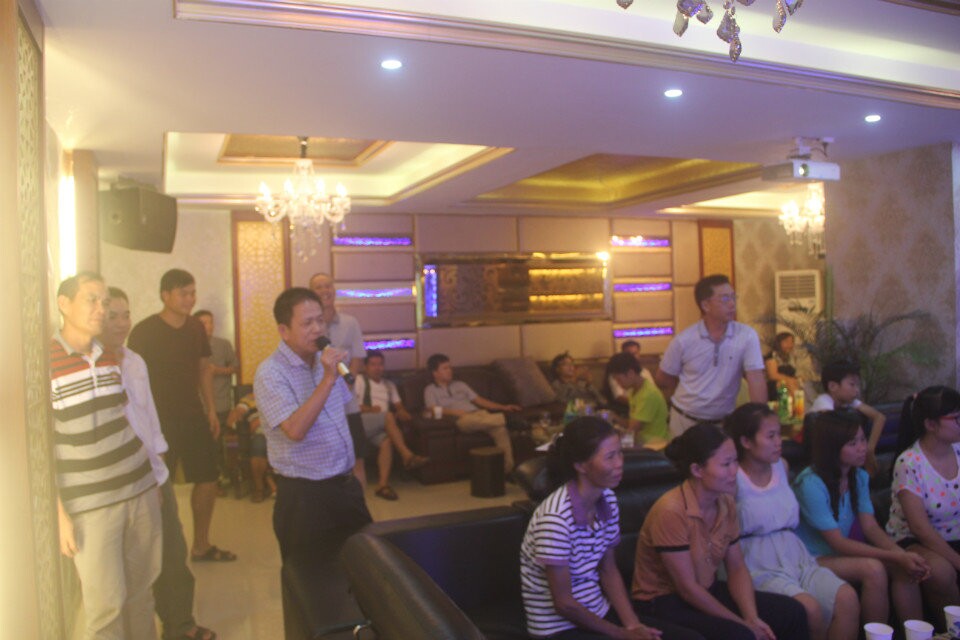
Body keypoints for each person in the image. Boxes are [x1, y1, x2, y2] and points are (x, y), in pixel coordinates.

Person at [50, 272, 161, 639]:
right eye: (91, 299)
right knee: (105, 608)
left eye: (105, 300)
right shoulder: (45, 363)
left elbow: (124, 420)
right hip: (92, 503)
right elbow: (42, 449)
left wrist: (152, 479)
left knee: (142, 595)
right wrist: (59, 514)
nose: (102, 308)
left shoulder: (110, 355)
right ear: (64, 304)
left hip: (139, 488)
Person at [103, 288, 217, 640]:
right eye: (112, 316)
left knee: (172, 550)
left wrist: (159, 463)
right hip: (114, 480)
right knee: (125, 567)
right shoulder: (89, 366)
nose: (122, 323)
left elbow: (148, 417)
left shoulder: (134, 361)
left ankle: (180, 625)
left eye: (126, 314)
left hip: (152, 471)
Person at [520, 417, 696, 640]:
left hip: (598, 612)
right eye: (610, 457)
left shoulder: (608, 499)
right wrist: (621, 634)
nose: (620, 463)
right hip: (557, 629)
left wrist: (633, 625)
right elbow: (564, 604)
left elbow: (608, 569)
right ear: (580, 465)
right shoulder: (554, 519)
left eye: (620, 453)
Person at [631, 423, 808, 640]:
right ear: (697, 470)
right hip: (663, 601)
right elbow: (687, 588)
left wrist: (751, 617)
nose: (735, 471)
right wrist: (742, 624)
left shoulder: (725, 502)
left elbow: (736, 567)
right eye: (726, 464)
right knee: (740, 634)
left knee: (793, 612)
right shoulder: (671, 511)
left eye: (735, 461)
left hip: (707, 589)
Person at [253, 287, 371, 561]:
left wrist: (331, 373)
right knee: (312, 577)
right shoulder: (270, 373)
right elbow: (295, 430)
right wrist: (328, 379)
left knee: (363, 567)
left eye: (320, 320)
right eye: (307, 323)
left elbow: (339, 412)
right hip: (305, 497)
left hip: (346, 485)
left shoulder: (324, 360)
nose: (317, 329)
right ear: (284, 331)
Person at [724, 403, 858, 640]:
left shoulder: (781, 467)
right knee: (809, 609)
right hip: (756, 562)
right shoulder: (733, 479)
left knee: (847, 598)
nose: (779, 442)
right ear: (746, 441)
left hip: (795, 554)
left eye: (779, 435)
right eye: (770, 436)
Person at [128, 268, 236, 562]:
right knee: (158, 484)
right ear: (165, 295)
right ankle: (157, 553)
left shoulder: (196, 328)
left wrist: (210, 409)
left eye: (193, 293)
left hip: (193, 414)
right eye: (183, 293)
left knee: (208, 477)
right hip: (157, 419)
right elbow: (132, 378)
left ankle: (201, 545)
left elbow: (204, 370)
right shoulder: (144, 331)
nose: (190, 299)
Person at [793, 411, 930, 627]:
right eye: (852, 443)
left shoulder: (858, 476)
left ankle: (917, 633)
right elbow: (838, 542)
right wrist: (895, 556)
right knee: (873, 569)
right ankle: (877, 635)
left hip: (838, 555)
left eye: (863, 439)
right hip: (809, 558)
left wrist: (902, 556)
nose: (862, 448)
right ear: (832, 447)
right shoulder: (810, 484)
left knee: (905, 567)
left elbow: (870, 527)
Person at [654, 275, 767, 438]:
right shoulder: (684, 340)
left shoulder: (746, 336)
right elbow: (663, 378)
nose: (732, 304)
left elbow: (756, 378)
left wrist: (760, 421)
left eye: (733, 297)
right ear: (705, 305)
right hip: (685, 420)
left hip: (723, 423)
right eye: (725, 299)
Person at [885, 386, 960, 626]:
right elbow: (920, 528)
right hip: (915, 539)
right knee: (941, 572)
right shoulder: (909, 463)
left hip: (955, 534)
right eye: (956, 418)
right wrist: (957, 560)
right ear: (930, 424)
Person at [308, 272, 369, 487]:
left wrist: (345, 385)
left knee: (357, 460)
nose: (325, 290)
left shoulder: (350, 322)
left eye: (328, 286)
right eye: (318, 287)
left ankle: (359, 504)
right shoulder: (309, 327)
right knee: (324, 462)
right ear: (311, 293)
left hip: (347, 404)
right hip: (319, 406)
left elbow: (358, 357)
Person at [424, 353, 520, 473]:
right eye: (445, 368)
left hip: (480, 414)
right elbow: (432, 409)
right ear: (435, 373)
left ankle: (507, 470)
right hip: (462, 419)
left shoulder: (460, 384)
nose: (450, 371)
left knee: (500, 430)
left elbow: (480, 400)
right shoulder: (430, 390)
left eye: (450, 367)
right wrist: (455, 412)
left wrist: (504, 407)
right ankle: (507, 420)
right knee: (478, 421)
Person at [354, 350, 429, 500]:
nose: (378, 368)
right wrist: (370, 409)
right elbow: (350, 406)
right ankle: (407, 455)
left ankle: (382, 485)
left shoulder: (389, 385)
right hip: (361, 423)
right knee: (388, 415)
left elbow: (399, 406)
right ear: (366, 367)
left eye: (380, 364)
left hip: (380, 424)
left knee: (387, 441)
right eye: (373, 365)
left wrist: (402, 412)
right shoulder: (359, 380)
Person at [809, 361, 886, 474]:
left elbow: (879, 417)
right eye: (852, 384)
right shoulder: (823, 403)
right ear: (832, 386)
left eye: (857, 385)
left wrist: (870, 449)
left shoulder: (847, 401)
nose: (857, 390)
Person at [193, 309, 240, 494]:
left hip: (222, 404)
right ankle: (212, 480)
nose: (208, 326)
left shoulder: (223, 344)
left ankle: (226, 477)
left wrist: (217, 370)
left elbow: (235, 368)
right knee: (207, 446)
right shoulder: (190, 345)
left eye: (210, 322)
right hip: (199, 406)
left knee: (223, 444)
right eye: (203, 323)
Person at [607, 352, 669, 447]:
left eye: (619, 379)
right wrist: (615, 418)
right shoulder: (635, 390)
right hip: (642, 441)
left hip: (654, 446)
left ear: (631, 373)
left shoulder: (648, 395)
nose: (618, 383)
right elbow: (632, 424)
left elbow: (632, 431)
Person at [224, 392, 276, 503]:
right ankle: (259, 488)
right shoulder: (250, 399)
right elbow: (231, 421)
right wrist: (236, 414)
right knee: (258, 445)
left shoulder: (284, 393)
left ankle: (271, 481)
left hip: (284, 431)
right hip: (261, 432)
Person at [604, 341, 656, 413]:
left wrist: (641, 404)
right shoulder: (617, 373)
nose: (633, 357)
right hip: (625, 408)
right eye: (629, 354)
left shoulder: (645, 372)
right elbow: (619, 396)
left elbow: (653, 392)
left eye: (635, 353)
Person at [764, 332, 800, 400]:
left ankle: (796, 405)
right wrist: (788, 379)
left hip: (790, 383)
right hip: (775, 385)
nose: (790, 345)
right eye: (786, 342)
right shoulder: (772, 356)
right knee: (787, 386)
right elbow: (772, 375)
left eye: (792, 342)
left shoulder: (791, 357)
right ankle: (793, 405)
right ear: (779, 343)